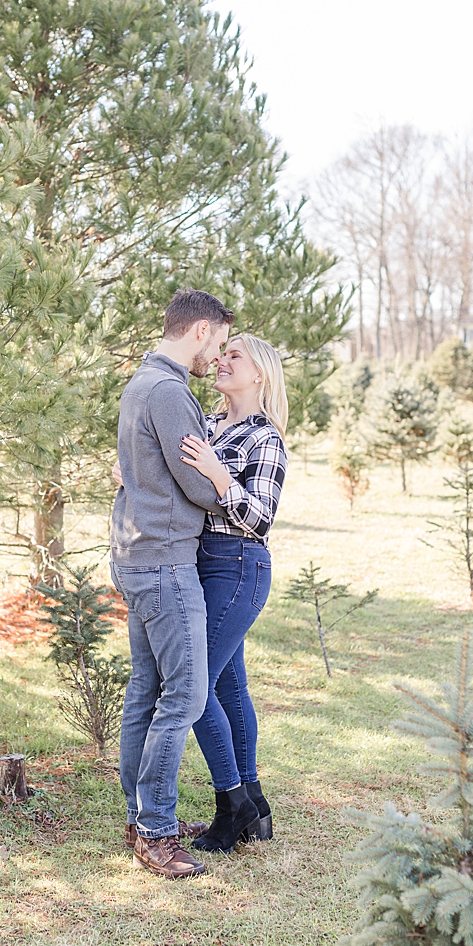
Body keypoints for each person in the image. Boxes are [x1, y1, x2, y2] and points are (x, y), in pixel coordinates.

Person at [110, 288, 234, 879]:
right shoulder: (169, 393)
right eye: (219, 343)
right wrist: (220, 479)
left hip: (137, 555)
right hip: (163, 561)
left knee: (146, 690)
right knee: (182, 695)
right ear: (201, 331)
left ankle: (140, 819)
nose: (218, 357)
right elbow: (201, 488)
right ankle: (156, 831)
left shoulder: (140, 386)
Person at [177, 335, 287, 853]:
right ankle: (257, 805)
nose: (221, 359)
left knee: (192, 687)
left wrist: (219, 474)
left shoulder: (265, 438)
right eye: (222, 353)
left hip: (238, 566)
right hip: (201, 564)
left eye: (234, 355)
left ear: (259, 374)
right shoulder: (208, 424)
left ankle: (233, 804)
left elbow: (259, 517)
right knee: (227, 688)